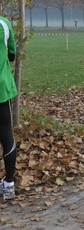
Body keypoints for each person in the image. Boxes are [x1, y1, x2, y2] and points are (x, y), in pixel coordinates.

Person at [0, 15, 18, 200]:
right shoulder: (4, 23)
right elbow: (12, 55)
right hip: (1, 89)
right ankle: (9, 184)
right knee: (6, 133)